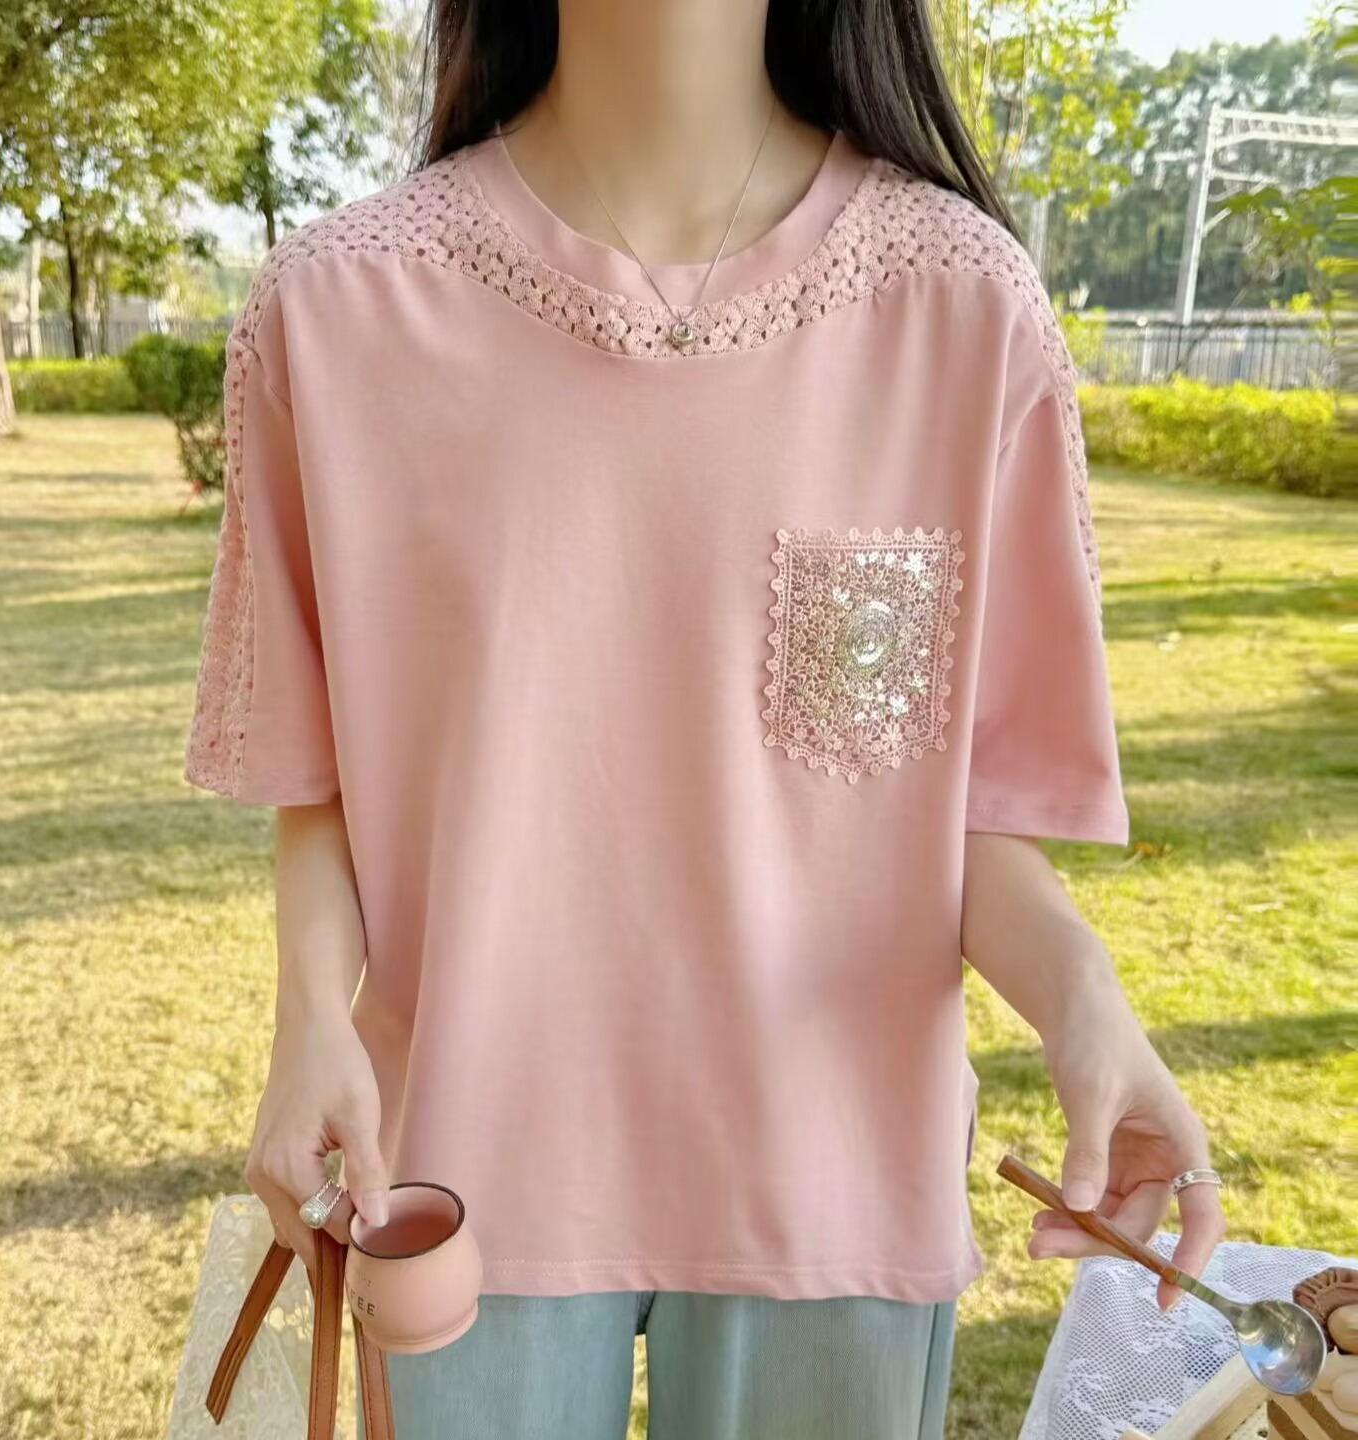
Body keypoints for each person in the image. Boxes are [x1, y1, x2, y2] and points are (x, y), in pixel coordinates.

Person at [181, 2, 1226, 1436]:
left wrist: (1085, 1001)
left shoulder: (964, 309)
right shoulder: (338, 311)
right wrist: (308, 1021)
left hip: (837, 1178)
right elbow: (322, 777)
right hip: (455, 1169)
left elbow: (958, 817)